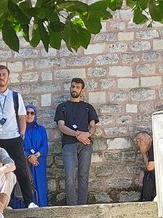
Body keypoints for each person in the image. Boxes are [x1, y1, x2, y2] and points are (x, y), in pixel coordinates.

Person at [0, 65, 36, 208]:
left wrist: (21, 135)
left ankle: (29, 202)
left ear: (8, 77)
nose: (1, 77)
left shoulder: (16, 96)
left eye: (4, 74)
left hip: (13, 138)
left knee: (21, 170)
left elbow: (22, 116)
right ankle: (1, 203)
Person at [55, 78, 99, 206]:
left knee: (83, 175)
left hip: (86, 145)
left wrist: (88, 134)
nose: (74, 89)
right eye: (73, 86)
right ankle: (72, 205)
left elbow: (93, 126)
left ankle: (82, 205)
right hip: (68, 144)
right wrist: (78, 134)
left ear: (82, 90)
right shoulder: (62, 107)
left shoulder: (88, 107)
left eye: (77, 87)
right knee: (69, 176)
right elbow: (61, 126)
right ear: (70, 88)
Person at [12, 104, 49, 208]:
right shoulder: (19, 130)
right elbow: (18, 146)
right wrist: (28, 156)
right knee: (24, 182)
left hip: (38, 162)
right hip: (24, 161)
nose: (29, 115)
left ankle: (41, 205)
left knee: (39, 184)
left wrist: (35, 156)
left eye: (32, 113)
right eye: (27, 113)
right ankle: (24, 205)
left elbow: (44, 146)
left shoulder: (41, 129)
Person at [135, 130, 157, 202]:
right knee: (146, 174)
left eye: (141, 139)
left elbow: (150, 168)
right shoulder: (150, 148)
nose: (140, 143)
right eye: (138, 141)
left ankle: (145, 200)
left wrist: (143, 154)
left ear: (149, 138)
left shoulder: (154, 146)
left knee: (148, 175)